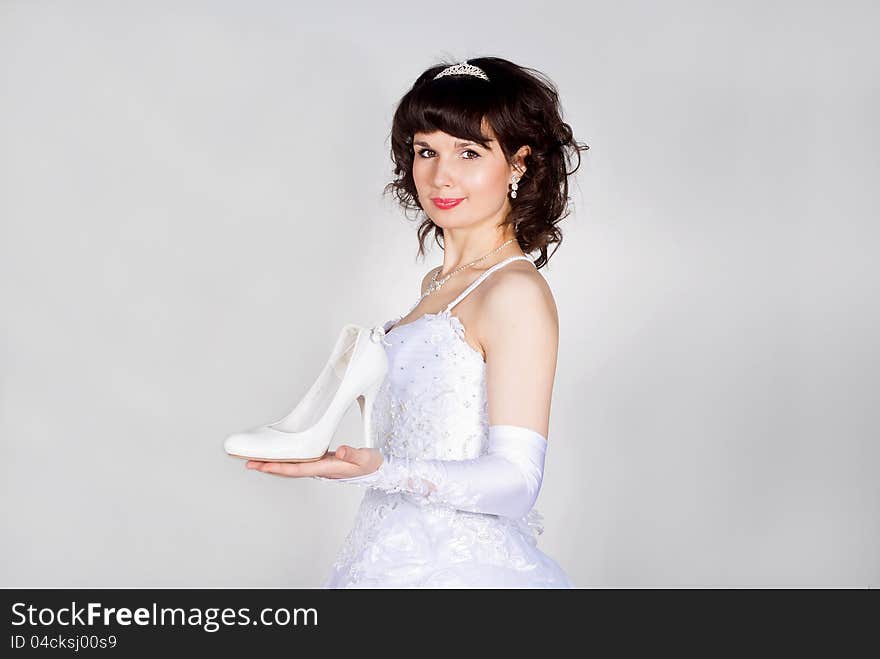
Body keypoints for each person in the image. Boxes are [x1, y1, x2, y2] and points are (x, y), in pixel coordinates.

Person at [245, 56, 589, 588]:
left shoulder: (513, 291)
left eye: (469, 152)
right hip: (382, 562)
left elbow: (517, 482)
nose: (439, 175)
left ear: (519, 164)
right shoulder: (436, 287)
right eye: (425, 151)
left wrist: (379, 470)